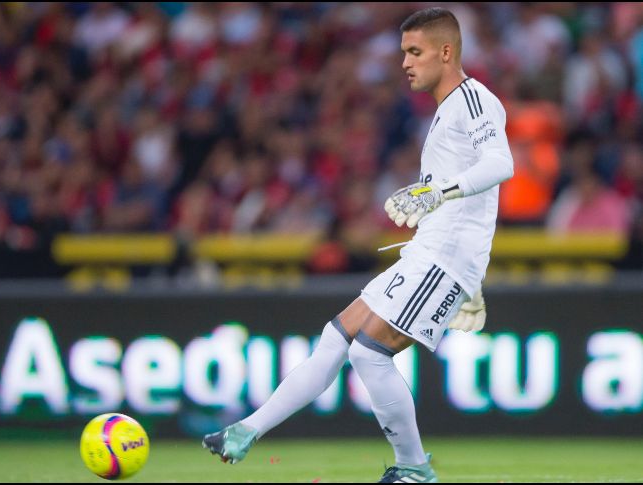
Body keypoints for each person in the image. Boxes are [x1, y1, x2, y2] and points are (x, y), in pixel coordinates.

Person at [203, 7, 514, 483]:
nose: (405, 63)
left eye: (415, 52)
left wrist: (440, 200)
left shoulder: (473, 99)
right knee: (337, 338)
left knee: (369, 353)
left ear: (446, 51)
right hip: (430, 253)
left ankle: (414, 468)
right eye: (402, 53)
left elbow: (500, 164)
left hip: (445, 256)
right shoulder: (446, 109)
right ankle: (245, 430)